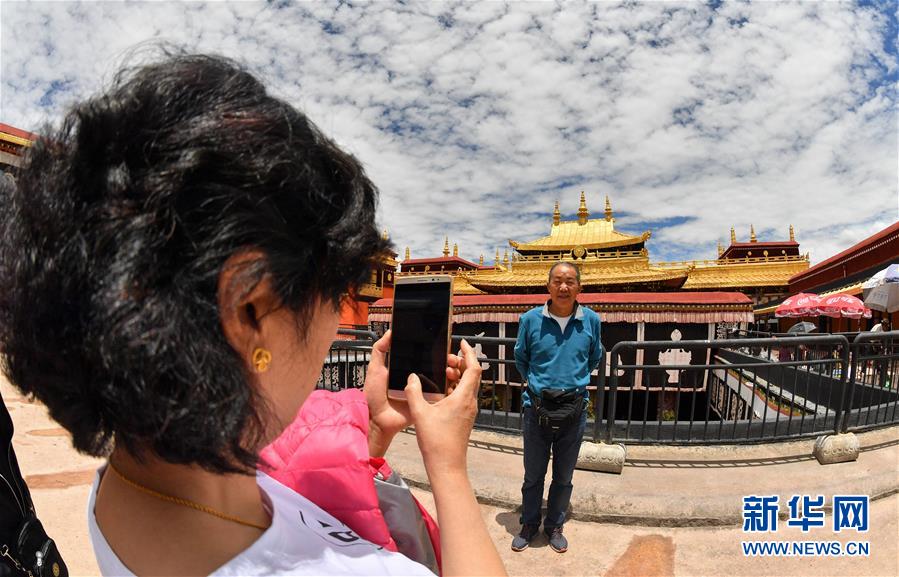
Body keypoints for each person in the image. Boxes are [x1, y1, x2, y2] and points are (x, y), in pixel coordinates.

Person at [0, 53, 506, 576]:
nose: (338, 321)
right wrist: (447, 465)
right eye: (332, 293)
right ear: (250, 308)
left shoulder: (134, 467)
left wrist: (375, 431)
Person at [512, 262, 602, 554]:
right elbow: (521, 358)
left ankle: (554, 525)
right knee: (533, 473)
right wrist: (539, 386)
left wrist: (571, 383)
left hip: (574, 409)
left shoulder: (591, 321)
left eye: (570, 282)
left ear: (579, 287)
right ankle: (529, 523)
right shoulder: (530, 320)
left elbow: (594, 358)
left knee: (564, 476)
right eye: (558, 281)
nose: (564, 287)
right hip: (536, 408)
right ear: (548, 285)